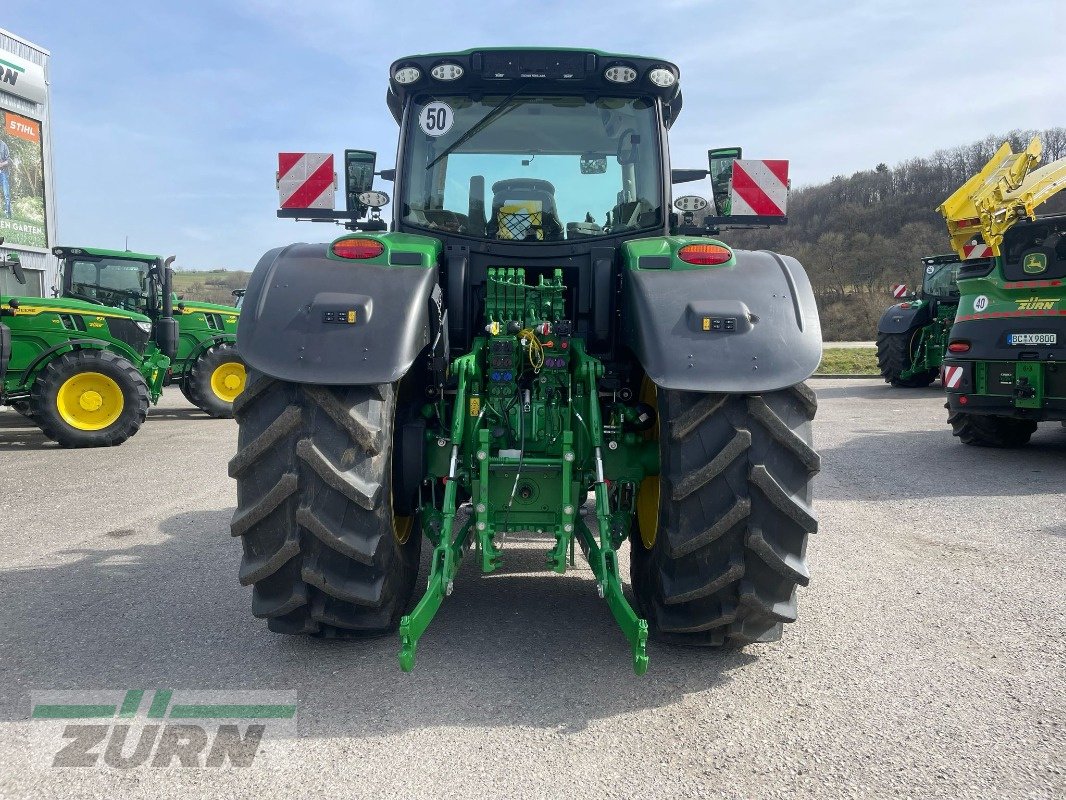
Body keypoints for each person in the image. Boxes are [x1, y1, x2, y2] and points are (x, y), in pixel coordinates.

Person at [0, 134, 11, 218]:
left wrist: (1, 164)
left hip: (3, 173)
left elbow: (9, 161)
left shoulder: (3, 145)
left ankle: (8, 214)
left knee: (6, 194)